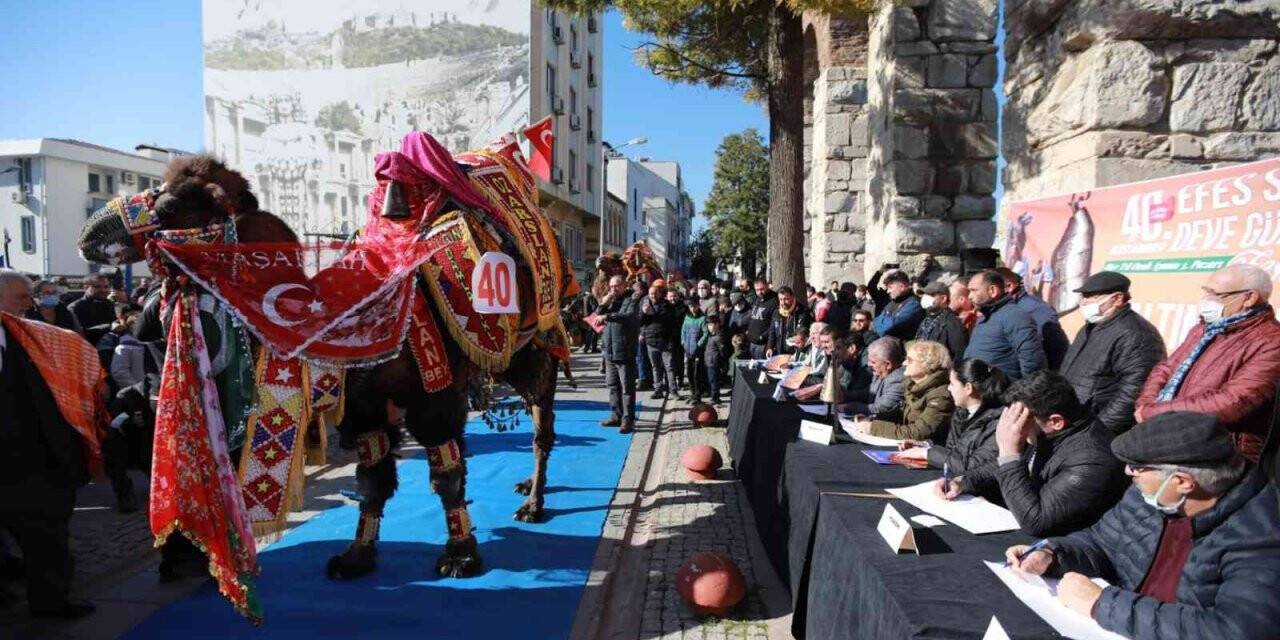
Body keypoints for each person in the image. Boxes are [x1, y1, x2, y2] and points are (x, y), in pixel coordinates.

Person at [1005, 412, 1280, 640]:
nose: (1128, 472)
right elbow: (1101, 542)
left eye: (1137, 467)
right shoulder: (1155, 496)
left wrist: (1102, 604)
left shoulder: (1261, 536)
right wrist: (1053, 554)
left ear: (1182, 481)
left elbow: (1235, 632)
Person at [0, 269, 101, 619]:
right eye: (21, 298)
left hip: (33, 460)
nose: (30, 304)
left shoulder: (35, 335)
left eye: (31, 296)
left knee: (47, 537)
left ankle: (50, 603)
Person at [941, 371, 1125, 536]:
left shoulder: (1091, 460)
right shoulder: (1047, 431)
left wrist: (1008, 452)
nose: (1014, 423)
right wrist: (965, 481)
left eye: (1021, 417)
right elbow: (1006, 465)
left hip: (1059, 546)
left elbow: (1037, 522)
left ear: (1056, 421)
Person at [1134, 264, 1280, 463]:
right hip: (1170, 437)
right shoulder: (1203, 329)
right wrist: (1146, 403)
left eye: (1216, 294)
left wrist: (1155, 412)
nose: (1207, 300)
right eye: (1206, 292)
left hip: (1219, 455)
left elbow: (1234, 401)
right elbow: (1166, 369)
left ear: (1249, 298)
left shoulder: (1272, 341)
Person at [1059, 272, 1165, 436]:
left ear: (1117, 299)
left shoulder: (1137, 334)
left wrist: (1096, 432)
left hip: (1095, 430)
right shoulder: (1091, 327)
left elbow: (1132, 393)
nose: (1083, 302)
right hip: (1072, 421)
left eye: (1090, 297)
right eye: (1083, 296)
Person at [896, 359, 1010, 473]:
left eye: (952, 384)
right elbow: (952, 449)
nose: (949, 388)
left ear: (968, 388)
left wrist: (927, 453)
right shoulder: (962, 413)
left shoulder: (997, 423)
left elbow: (974, 465)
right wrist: (924, 446)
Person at [852, 340, 955, 441]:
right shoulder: (912, 385)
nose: (904, 363)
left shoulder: (941, 396)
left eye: (910, 360)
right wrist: (872, 419)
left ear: (927, 365)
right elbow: (900, 415)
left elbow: (917, 432)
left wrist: (872, 428)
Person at [962, 269, 1046, 380]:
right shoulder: (985, 317)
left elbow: (1032, 362)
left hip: (1002, 393)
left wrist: (1022, 394)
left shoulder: (1015, 316)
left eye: (974, 290)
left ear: (992, 290)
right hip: (980, 390)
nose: (970, 296)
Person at [996, 267, 1071, 370]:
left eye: (992, 289)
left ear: (1009, 286)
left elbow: (1052, 348)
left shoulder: (1036, 309)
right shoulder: (1009, 309)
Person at [598, 276, 642, 434]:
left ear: (624, 285)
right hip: (609, 351)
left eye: (617, 286)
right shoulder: (611, 300)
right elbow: (598, 313)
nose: (613, 289)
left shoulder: (631, 299)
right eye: (611, 286)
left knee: (627, 388)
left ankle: (627, 420)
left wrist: (607, 316)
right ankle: (616, 415)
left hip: (624, 350)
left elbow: (628, 316)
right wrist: (604, 302)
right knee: (612, 385)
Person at [839, 337, 906, 418]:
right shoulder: (881, 372)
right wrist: (843, 396)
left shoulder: (899, 380)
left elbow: (880, 408)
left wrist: (849, 408)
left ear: (888, 364)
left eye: (873, 362)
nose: (868, 364)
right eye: (869, 360)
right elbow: (868, 393)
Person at [640, 282, 676, 399]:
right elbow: (639, 321)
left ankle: (673, 390)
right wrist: (644, 313)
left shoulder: (666, 305)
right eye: (651, 294)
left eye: (655, 293)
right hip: (651, 340)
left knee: (669, 367)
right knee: (655, 367)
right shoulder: (644, 304)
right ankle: (658, 390)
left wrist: (653, 313)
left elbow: (668, 319)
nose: (653, 296)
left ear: (660, 294)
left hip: (665, 340)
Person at [914, 281, 968, 359]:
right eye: (924, 294)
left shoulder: (952, 323)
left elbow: (959, 353)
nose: (925, 298)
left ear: (943, 298)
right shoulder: (927, 319)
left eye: (931, 295)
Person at [871, 270, 925, 340]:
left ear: (902, 286)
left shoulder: (914, 304)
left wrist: (882, 321)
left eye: (890, 287)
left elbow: (888, 328)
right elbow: (875, 321)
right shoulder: (891, 303)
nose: (888, 291)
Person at [67, 275, 115, 343]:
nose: (103, 290)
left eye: (106, 287)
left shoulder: (109, 304)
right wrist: (110, 327)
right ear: (85, 287)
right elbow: (78, 333)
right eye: (97, 287)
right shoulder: (74, 307)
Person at [766, 286, 811, 357]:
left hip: (796, 351)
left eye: (786, 299)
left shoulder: (801, 312)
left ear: (792, 297)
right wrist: (769, 347)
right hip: (780, 351)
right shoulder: (776, 312)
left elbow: (803, 330)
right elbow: (772, 331)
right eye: (780, 299)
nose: (783, 302)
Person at [681, 298, 709, 404]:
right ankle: (692, 393)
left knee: (697, 374)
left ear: (698, 306)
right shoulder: (687, 317)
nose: (692, 308)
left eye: (694, 306)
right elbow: (683, 331)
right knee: (689, 373)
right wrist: (683, 342)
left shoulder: (702, 318)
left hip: (697, 351)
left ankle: (698, 395)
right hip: (687, 349)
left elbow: (706, 333)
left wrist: (699, 345)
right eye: (690, 306)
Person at [745, 279, 778, 359]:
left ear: (767, 286)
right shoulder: (757, 299)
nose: (760, 292)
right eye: (757, 290)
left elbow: (774, 325)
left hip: (763, 345)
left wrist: (763, 336)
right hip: (752, 342)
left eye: (762, 289)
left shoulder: (774, 300)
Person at [665, 289, 687, 395]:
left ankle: (681, 380)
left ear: (678, 297)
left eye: (674, 296)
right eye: (670, 296)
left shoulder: (683, 307)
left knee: (679, 360)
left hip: (680, 337)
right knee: (669, 362)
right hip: (667, 338)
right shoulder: (664, 307)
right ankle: (670, 382)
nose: (672, 298)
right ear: (667, 297)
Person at [703, 315, 729, 404]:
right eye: (709, 325)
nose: (710, 327)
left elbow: (722, 351)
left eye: (712, 324)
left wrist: (722, 363)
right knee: (711, 380)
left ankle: (715, 397)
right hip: (709, 361)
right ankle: (713, 395)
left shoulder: (719, 337)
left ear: (718, 324)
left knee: (714, 380)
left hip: (714, 363)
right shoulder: (711, 335)